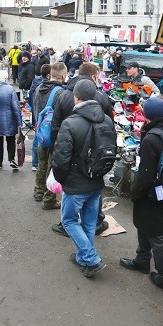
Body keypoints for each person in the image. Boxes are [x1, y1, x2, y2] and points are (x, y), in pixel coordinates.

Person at [119, 96, 163, 294]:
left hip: (152, 193)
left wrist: (136, 193)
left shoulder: (151, 138)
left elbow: (146, 173)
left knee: (156, 235)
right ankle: (142, 260)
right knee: (145, 226)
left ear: (146, 115)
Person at [51, 79, 113, 278]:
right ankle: (84, 259)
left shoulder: (70, 123)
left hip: (76, 184)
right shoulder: (107, 120)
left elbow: (60, 159)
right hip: (96, 181)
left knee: (68, 221)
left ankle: (90, 257)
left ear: (76, 98)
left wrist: (62, 180)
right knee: (88, 222)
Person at [50, 62, 113, 228]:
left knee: (71, 196)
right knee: (92, 190)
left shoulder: (63, 95)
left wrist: (56, 155)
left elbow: (55, 125)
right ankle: (97, 220)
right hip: (95, 155)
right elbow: (109, 127)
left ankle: (71, 227)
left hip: (69, 155)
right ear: (93, 76)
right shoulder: (101, 97)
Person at [33, 62, 66, 209]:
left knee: (42, 164)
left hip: (41, 133)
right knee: (52, 167)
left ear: (51, 74)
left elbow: (36, 110)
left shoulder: (39, 88)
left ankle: (38, 192)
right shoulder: (61, 93)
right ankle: (49, 199)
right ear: (64, 76)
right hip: (54, 135)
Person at [0, 69, 22, 170]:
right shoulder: (10, 89)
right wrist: (19, 122)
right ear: (5, 78)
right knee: (10, 139)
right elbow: (15, 107)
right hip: (9, 119)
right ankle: (11, 159)